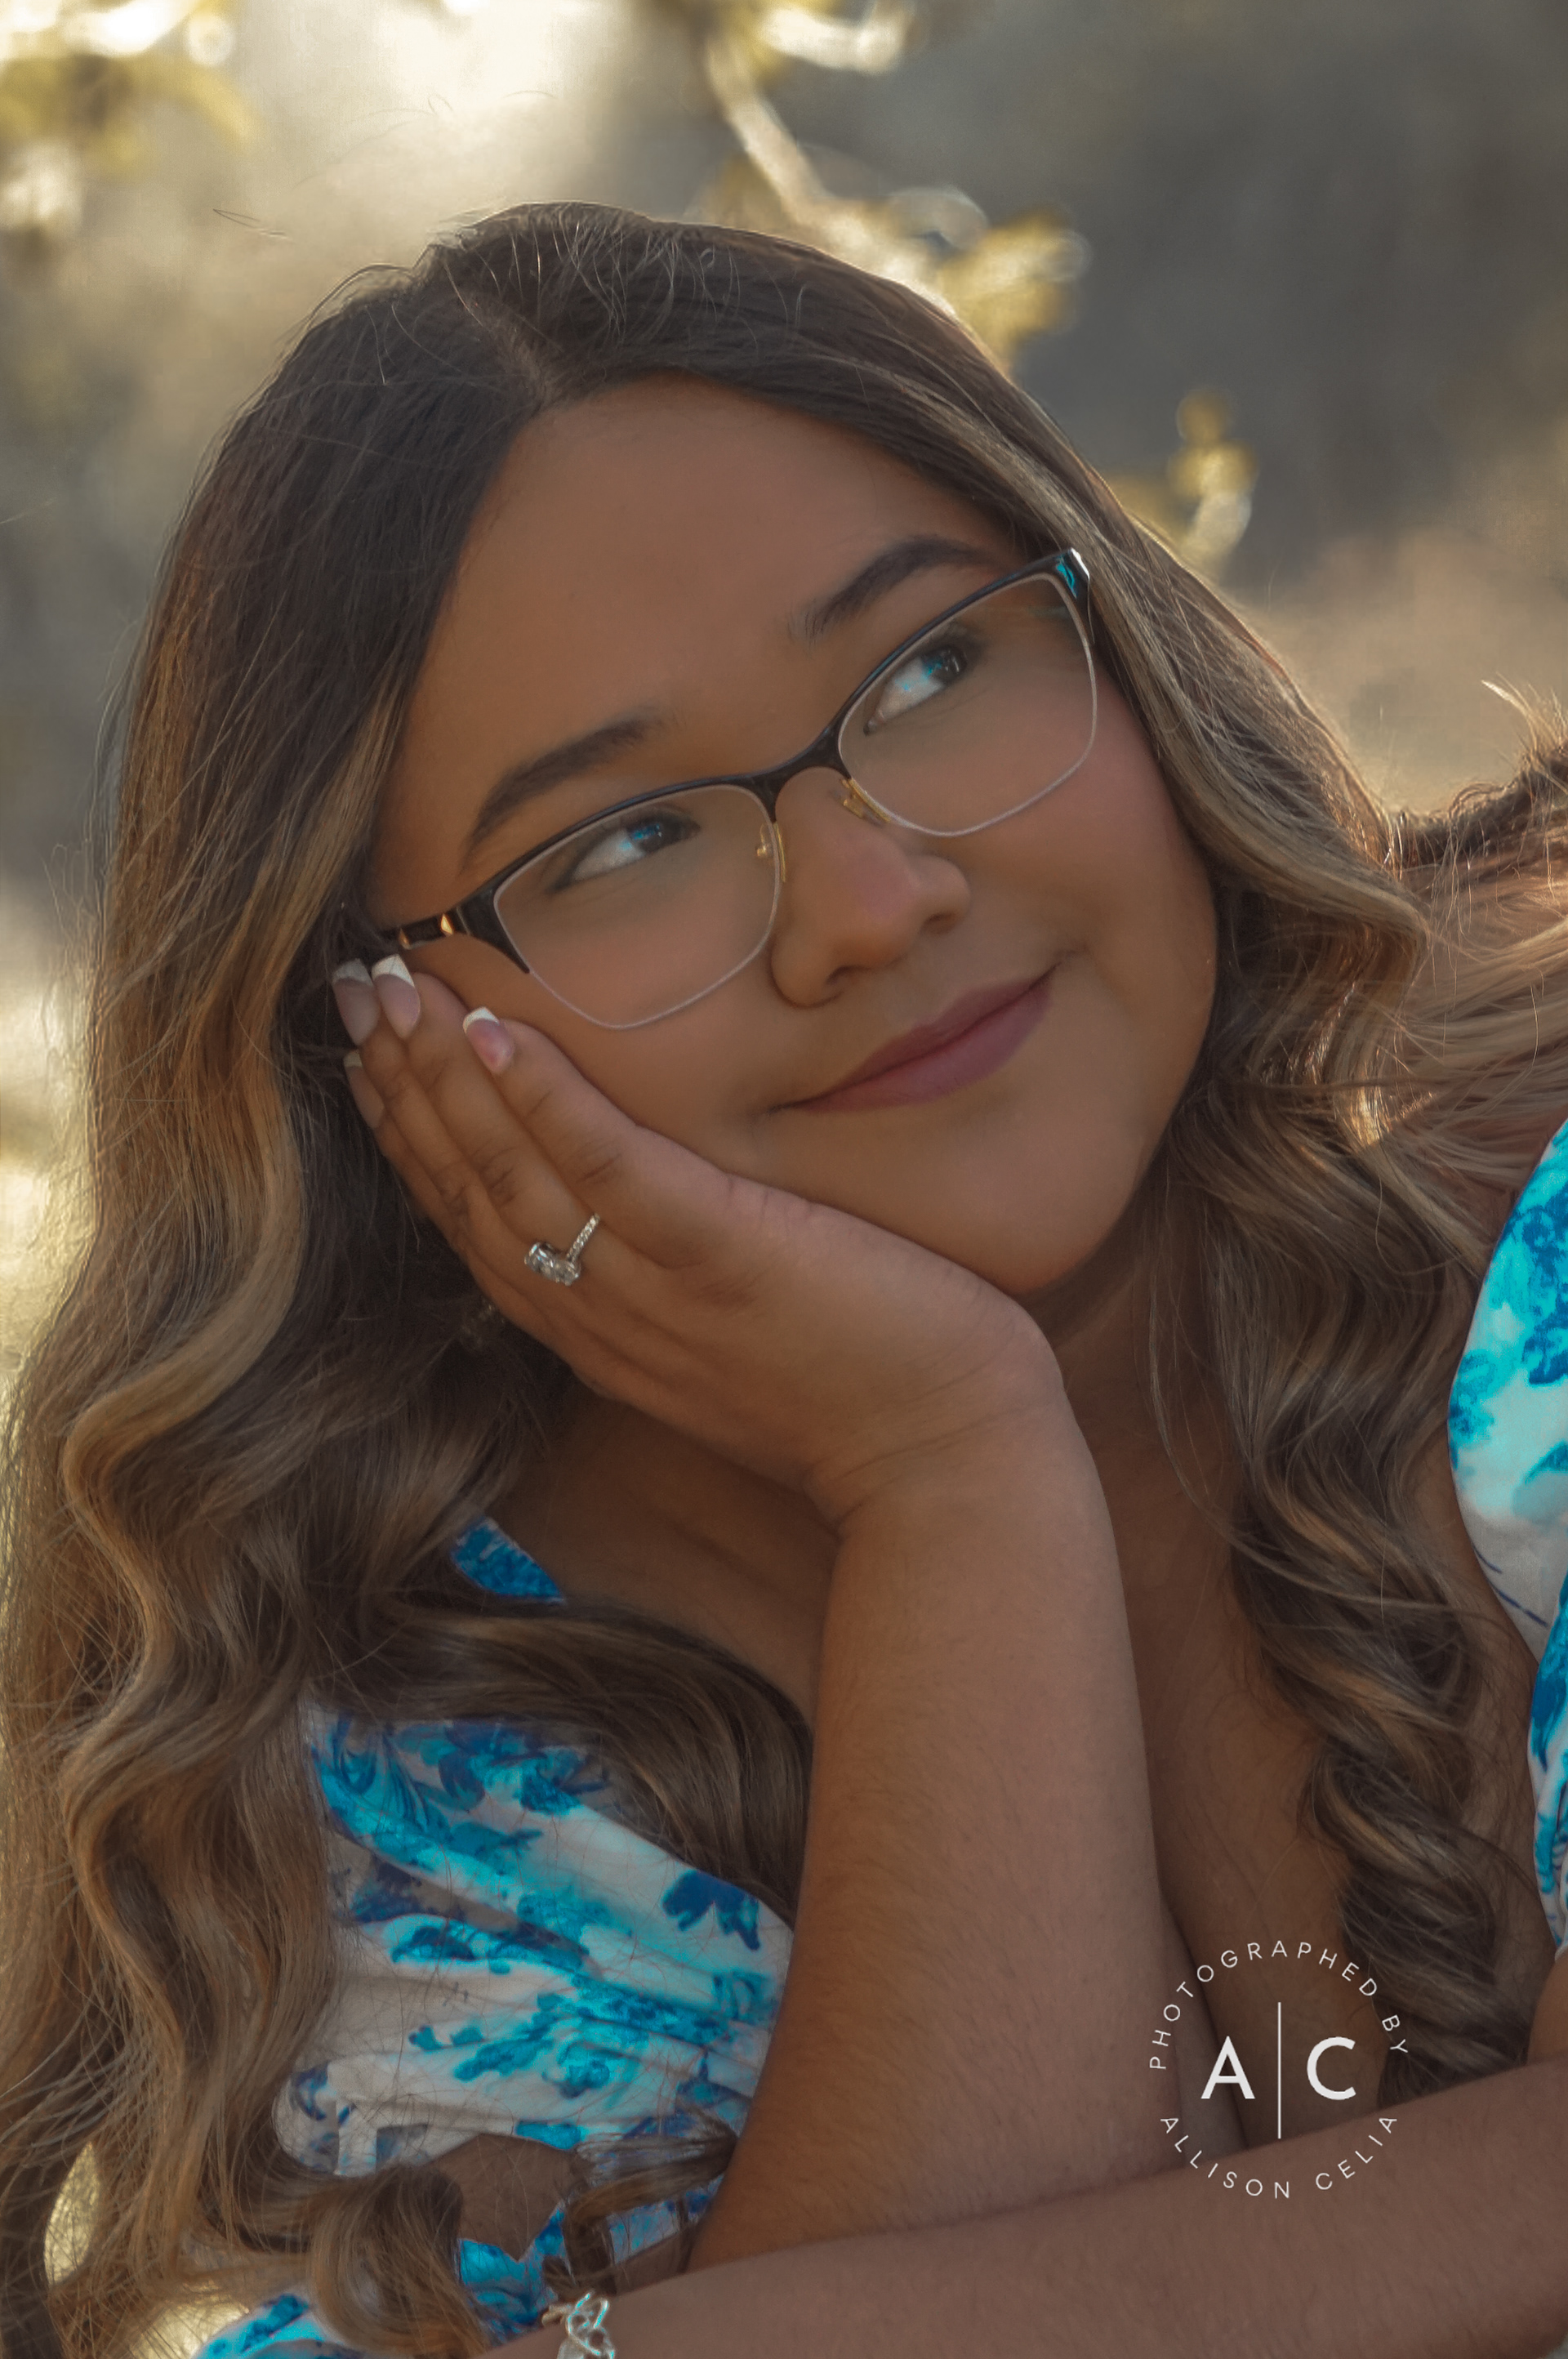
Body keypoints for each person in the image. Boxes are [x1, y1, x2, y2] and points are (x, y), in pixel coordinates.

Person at [3, 201, 1568, 2359]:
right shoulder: (434, 1779)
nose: (869, 902)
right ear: (365, 1051)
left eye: (931, 671)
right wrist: (951, 1485)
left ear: (1122, 648)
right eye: (622, 844)